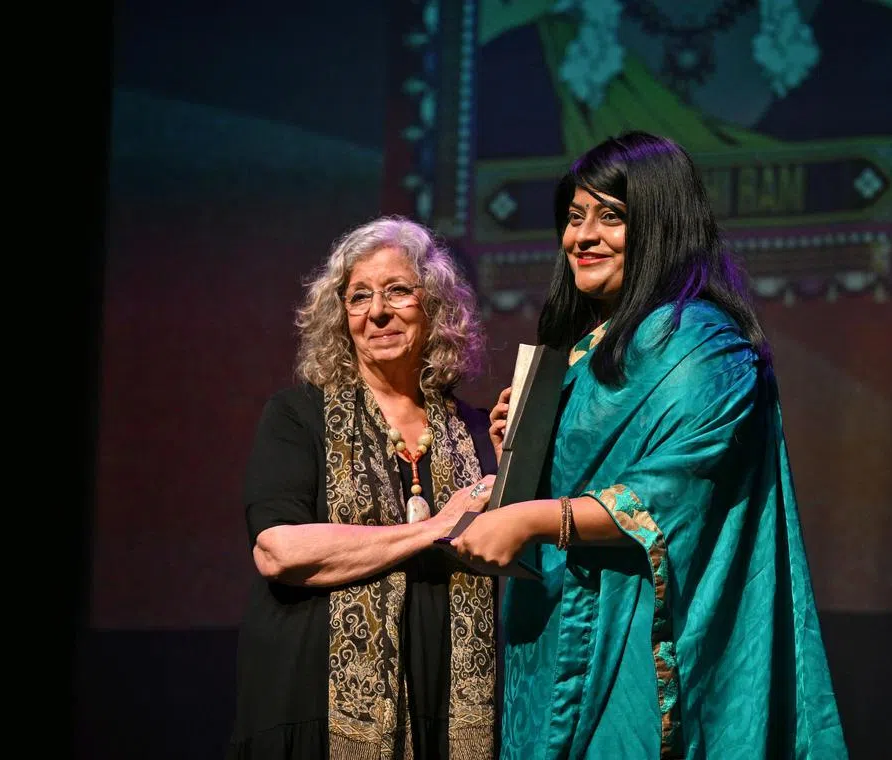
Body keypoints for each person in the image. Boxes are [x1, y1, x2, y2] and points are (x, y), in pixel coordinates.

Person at [449, 132, 848, 758]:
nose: (582, 237)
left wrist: (528, 517)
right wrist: (519, 456)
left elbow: (670, 494)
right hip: (560, 631)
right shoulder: (590, 347)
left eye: (611, 216)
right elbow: (580, 482)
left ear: (661, 224)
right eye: (574, 217)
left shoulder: (701, 345)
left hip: (643, 640)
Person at [227, 215, 501, 760]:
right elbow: (279, 551)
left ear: (438, 307)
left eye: (398, 290)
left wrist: (520, 452)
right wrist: (436, 528)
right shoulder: (298, 416)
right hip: (314, 713)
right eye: (358, 298)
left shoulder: (473, 431)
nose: (377, 312)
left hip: (449, 716)